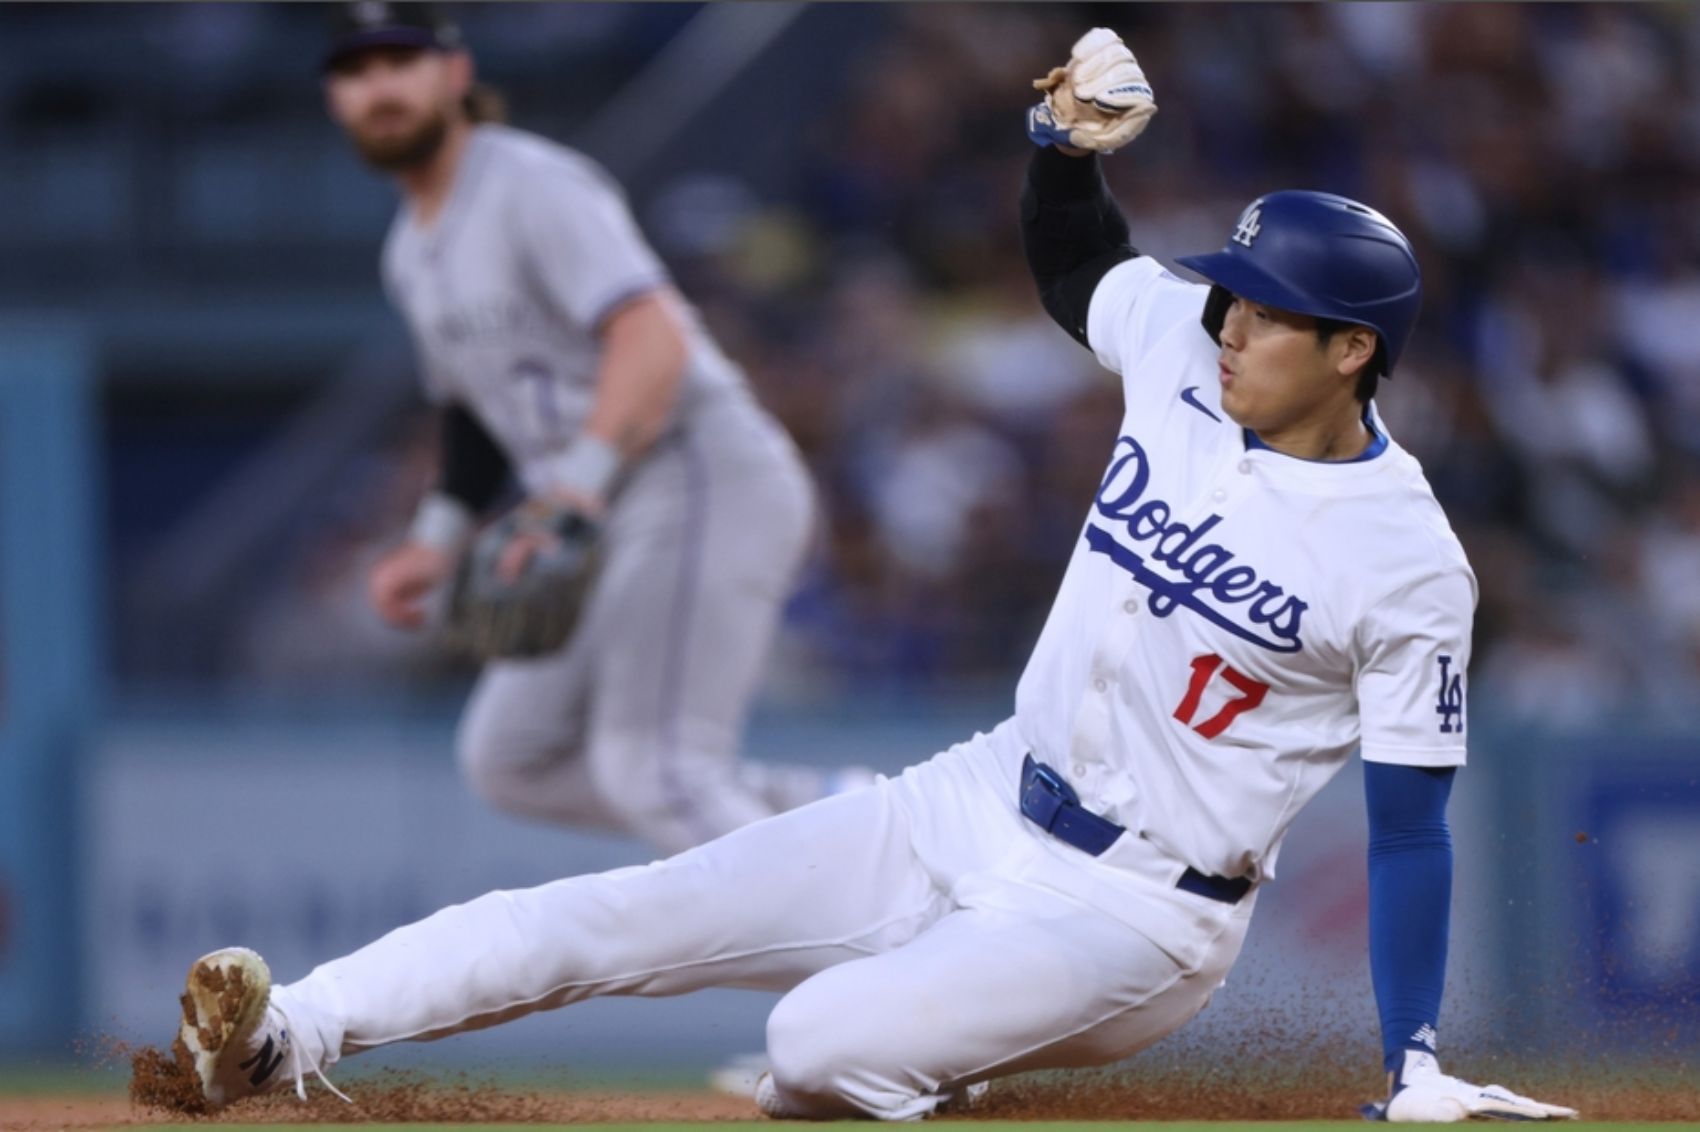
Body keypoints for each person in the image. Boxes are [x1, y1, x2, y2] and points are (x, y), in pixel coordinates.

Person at [169, 27, 1576, 1123]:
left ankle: (924, 1060)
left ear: (1351, 352)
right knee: (612, 913)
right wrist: (1059, 148)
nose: (1229, 323)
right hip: (971, 796)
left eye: (1273, 317)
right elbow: (1081, 264)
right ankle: (286, 1030)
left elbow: (1408, 832)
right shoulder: (1187, 352)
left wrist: (1416, 1063)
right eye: (1233, 294)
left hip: (1138, 917)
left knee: (811, 1047)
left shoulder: (1408, 563)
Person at [325, 2, 869, 854]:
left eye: (401, 60)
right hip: (592, 508)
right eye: (358, 71)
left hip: (692, 471)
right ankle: (847, 819)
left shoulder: (527, 184)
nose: (380, 86)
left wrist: (575, 482)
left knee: (653, 770)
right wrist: (434, 538)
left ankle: (882, 956)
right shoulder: (409, 249)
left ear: (456, 75)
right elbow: (474, 409)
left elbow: (651, 334)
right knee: (510, 760)